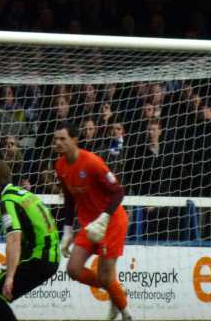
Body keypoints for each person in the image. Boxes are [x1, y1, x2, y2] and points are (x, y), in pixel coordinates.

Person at [53, 122, 132, 321]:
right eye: (55, 139)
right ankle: (116, 291)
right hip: (89, 224)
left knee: (106, 276)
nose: (57, 142)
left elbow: (118, 192)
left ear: (75, 140)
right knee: (73, 269)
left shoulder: (92, 162)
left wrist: (104, 218)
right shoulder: (60, 165)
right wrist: (68, 231)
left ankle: (125, 313)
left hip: (112, 221)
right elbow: (69, 199)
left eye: (62, 138)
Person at [0, 159, 59, 321]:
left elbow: (14, 239)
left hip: (38, 259)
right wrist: (11, 266)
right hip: (49, 257)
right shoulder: (24, 194)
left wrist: (10, 276)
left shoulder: (8, 201)